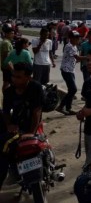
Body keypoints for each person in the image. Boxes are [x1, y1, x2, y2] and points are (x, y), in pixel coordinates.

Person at [0, 62, 43, 190]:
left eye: (18, 77)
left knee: (3, 148)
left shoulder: (36, 87)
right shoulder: (9, 91)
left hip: (31, 126)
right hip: (16, 126)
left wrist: (31, 132)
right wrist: (9, 125)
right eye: (13, 76)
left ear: (28, 77)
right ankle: (13, 171)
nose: (14, 79)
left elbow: (37, 111)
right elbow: (6, 111)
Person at [56, 31, 84, 115]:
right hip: (66, 70)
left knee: (71, 90)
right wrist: (89, 57)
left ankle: (68, 108)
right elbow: (77, 57)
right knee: (73, 89)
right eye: (76, 38)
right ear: (71, 38)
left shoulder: (74, 46)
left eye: (78, 38)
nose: (78, 39)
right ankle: (61, 107)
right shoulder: (69, 46)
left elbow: (76, 59)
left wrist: (81, 59)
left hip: (70, 70)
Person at [1, 26, 15, 90]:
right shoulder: (6, 43)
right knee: (7, 83)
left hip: (5, 66)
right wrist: (11, 68)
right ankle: (6, 98)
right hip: (7, 66)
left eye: (13, 33)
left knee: (7, 83)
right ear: (6, 34)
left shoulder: (6, 42)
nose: (13, 35)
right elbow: (6, 57)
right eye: (11, 33)